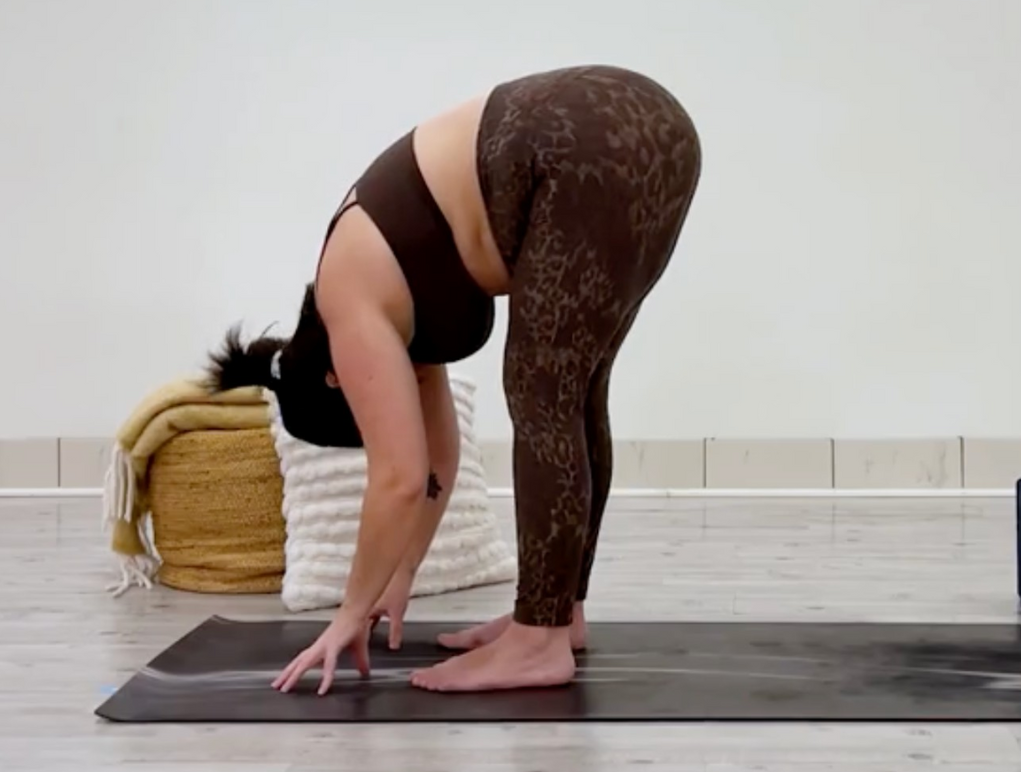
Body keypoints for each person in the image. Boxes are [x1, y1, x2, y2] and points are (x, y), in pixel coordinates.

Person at [205, 65, 701, 694]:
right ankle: (558, 613)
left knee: (543, 395)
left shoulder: (348, 299)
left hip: (581, 141)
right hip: (651, 124)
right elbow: (438, 457)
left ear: (334, 381)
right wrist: (400, 571)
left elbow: (400, 477)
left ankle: (538, 641)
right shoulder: (390, 285)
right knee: (574, 395)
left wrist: (349, 614)